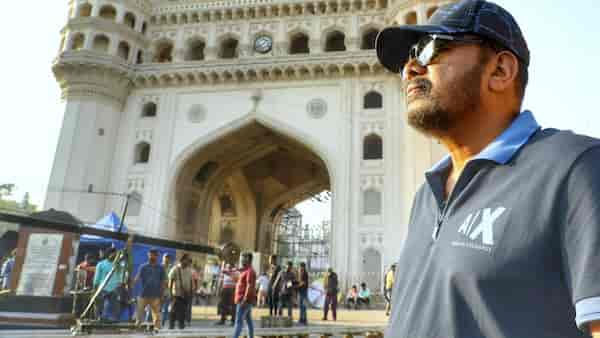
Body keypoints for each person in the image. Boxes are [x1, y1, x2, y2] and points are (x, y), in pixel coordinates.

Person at [376, 1, 600, 337]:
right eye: (410, 55)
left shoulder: (573, 168)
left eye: (430, 50)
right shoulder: (427, 196)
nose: (411, 67)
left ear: (500, 71)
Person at [133, 248, 165, 331]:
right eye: (151, 254)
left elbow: (162, 282)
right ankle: (137, 326)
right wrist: (132, 283)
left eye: (154, 254)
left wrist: (162, 294)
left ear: (157, 256)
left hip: (155, 294)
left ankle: (157, 328)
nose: (152, 256)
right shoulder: (143, 267)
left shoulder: (160, 268)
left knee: (157, 313)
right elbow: (137, 277)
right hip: (143, 294)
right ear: (148, 255)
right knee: (139, 312)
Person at [93, 247, 125, 321]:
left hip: (114, 289)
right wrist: (95, 288)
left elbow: (121, 277)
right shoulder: (101, 264)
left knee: (115, 307)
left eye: (116, 254)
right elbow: (97, 278)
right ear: (109, 254)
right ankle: (98, 320)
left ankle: (114, 322)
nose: (115, 256)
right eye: (113, 254)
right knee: (99, 306)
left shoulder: (118, 265)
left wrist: (120, 286)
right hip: (102, 288)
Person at [232, 252, 257, 338]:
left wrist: (245, 299)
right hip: (243, 300)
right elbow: (239, 281)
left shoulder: (250, 271)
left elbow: (250, 286)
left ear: (249, 259)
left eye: (244, 258)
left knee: (238, 322)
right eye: (242, 258)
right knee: (249, 321)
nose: (242, 259)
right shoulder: (245, 270)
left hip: (243, 300)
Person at [168, 254, 193, 330]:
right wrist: (170, 294)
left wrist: (191, 292)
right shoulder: (175, 269)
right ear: (182, 260)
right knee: (173, 311)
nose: (188, 261)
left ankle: (181, 325)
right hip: (176, 294)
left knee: (183, 311)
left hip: (186, 294)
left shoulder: (189, 270)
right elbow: (171, 281)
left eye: (189, 260)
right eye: (187, 260)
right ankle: (171, 325)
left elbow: (190, 281)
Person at [160, 254, 172, 328]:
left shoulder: (171, 268)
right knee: (158, 308)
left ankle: (163, 323)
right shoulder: (160, 267)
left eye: (168, 258)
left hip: (168, 291)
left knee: (166, 309)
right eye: (165, 258)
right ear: (163, 259)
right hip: (160, 291)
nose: (167, 260)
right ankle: (154, 323)